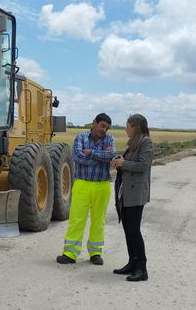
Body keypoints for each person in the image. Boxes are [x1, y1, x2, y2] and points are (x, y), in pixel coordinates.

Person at [57, 113, 116, 265]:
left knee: (99, 220)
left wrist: (91, 153)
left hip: (102, 185)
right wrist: (101, 158)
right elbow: (77, 157)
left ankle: (95, 253)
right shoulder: (80, 137)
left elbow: (111, 155)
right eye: (102, 126)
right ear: (94, 123)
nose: (105, 130)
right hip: (82, 184)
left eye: (107, 128)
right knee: (77, 219)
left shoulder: (109, 139)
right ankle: (70, 253)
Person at [111, 114, 153, 281]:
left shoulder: (146, 142)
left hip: (136, 193)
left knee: (134, 230)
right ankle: (132, 263)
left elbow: (144, 165)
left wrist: (124, 164)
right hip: (126, 192)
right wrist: (120, 160)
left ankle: (142, 268)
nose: (125, 129)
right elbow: (130, 161)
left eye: (127, 126)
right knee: (128, 229)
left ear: (135, 126)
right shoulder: (133, 143)